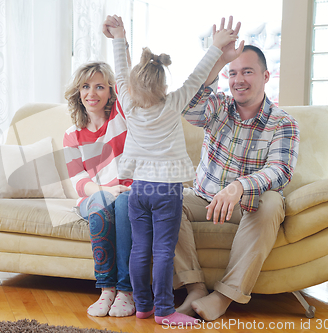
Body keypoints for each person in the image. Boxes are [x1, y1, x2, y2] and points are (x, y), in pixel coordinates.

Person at [105, 15, 239, 326]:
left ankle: (142, 306)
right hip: (166, 191)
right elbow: (197, 76)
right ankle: (164, 310)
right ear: (164, 84)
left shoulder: (128, 101)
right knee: (163, 251)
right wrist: (216, 47)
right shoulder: (172, 103)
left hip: (139, 190)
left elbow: (121, 74)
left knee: (140, 249)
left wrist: (118, 38)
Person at [173, 17, 300, 321]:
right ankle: (194, 288)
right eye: (233, 73)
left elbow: (280, 170)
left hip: (249, 206)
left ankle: (224, 296)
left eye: (247, 72)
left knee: (273, 201)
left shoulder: (284, 123)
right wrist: (217, 60)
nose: (238, 79)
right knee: (165, 197)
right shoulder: (217, 105)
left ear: (266, 76)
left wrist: (238, 187)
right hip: (204, 198)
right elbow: (186, 107)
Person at [63, 60, 135, 317]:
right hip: (94, 196)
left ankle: (126, 292)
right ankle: (106, 290)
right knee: (101, 204)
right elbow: (78, 181)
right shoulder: (73, 134)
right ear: (78, 92)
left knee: (125, 204)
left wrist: (120, 41)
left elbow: (129, 84)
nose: (91, 93)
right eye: (85, 86)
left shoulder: (120, 116)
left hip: (126, 193)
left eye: (99, 87)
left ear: (111, 92)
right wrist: (105, 191)